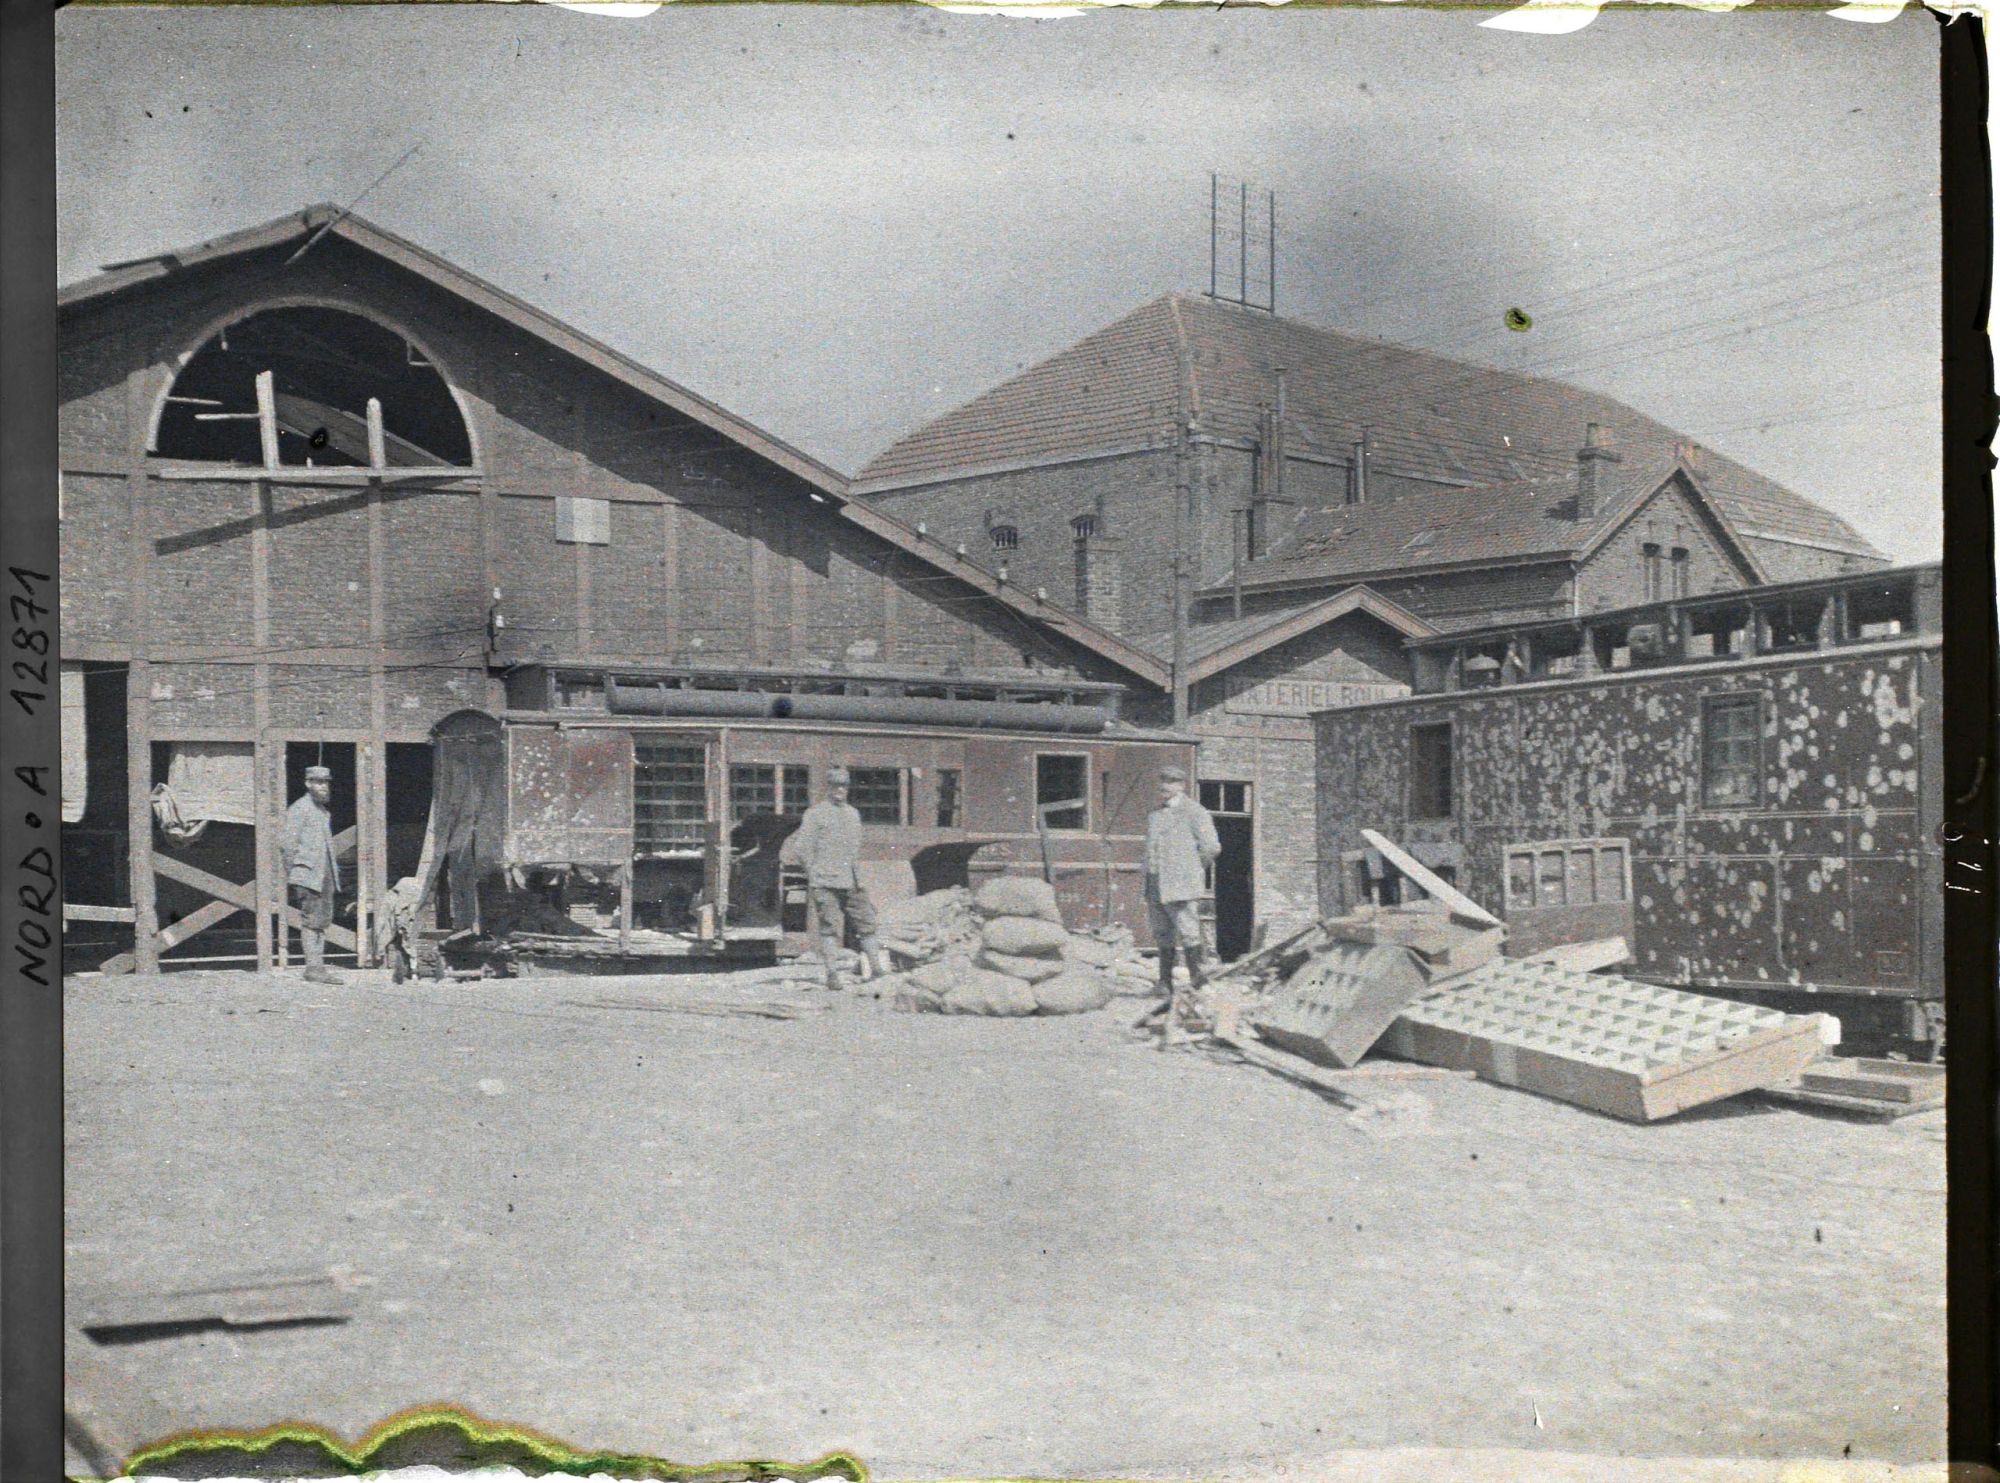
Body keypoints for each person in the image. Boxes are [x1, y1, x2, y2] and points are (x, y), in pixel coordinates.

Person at [782, 765, 889, 991]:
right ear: (828, 787)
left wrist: (855, 875)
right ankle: (832, 974)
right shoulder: (815, 814)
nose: (840, 789)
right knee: (829, 928)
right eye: (836, 785)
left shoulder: (853, 814)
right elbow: (801, 848)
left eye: (844, 785)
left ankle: (877, 969)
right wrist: (813, 874)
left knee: (867, 923)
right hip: (825, 881)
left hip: (851, 880)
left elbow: (855, 847)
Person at [1143, 764, 1220, 1003]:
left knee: (1188, 933)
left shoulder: (1195, 812)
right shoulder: (1155, 815)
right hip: (1156, 884)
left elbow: (1211, 847)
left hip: (1181, 884)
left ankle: (1197, 981)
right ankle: (1165, 983)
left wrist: (1192, 870)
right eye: (1162, 782)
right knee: (1162, 934)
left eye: (1172, 782)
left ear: (1182, 786)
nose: (1165, 787)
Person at [281, 764, 342, 984]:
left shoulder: (322, 812)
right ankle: (313, 968)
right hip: (308, 876)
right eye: (318, 782)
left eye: (326, 782)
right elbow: (288, 846)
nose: (324, 787)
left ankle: (317, 965)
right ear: (308, 784)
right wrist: (298, 873)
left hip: (324, 875)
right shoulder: (299, 809)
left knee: (322, 921)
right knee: (311, 922)